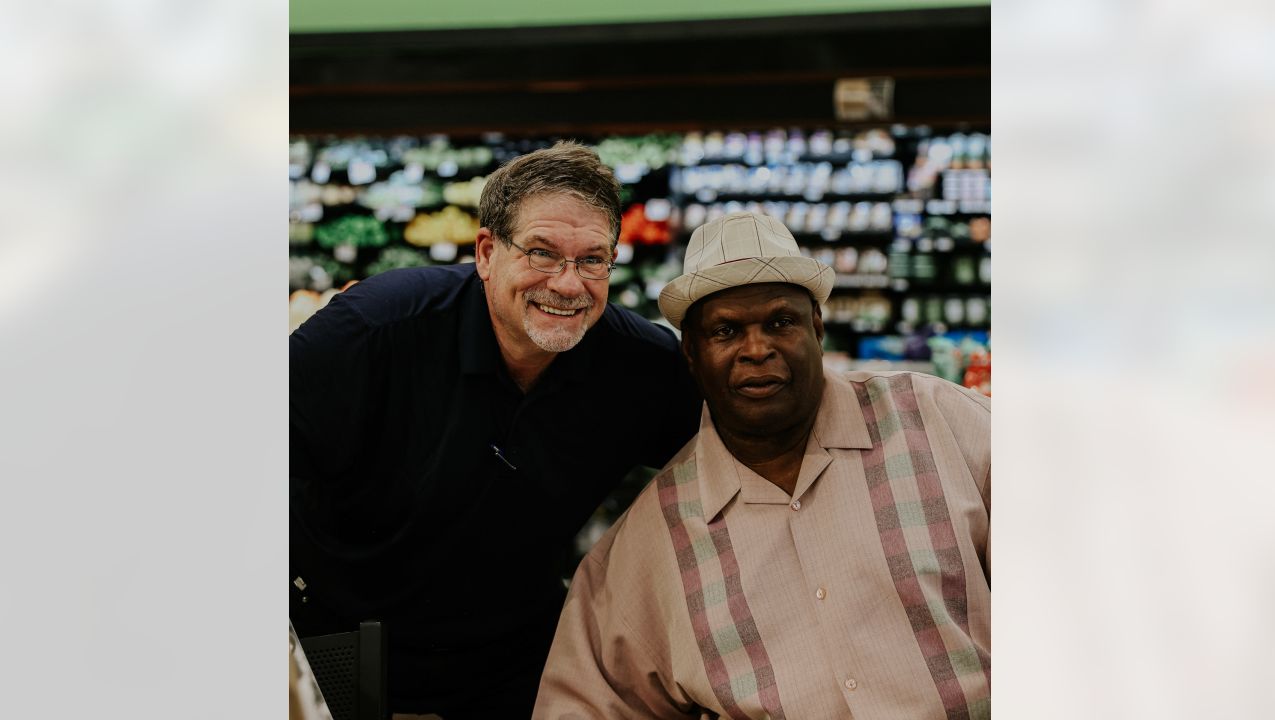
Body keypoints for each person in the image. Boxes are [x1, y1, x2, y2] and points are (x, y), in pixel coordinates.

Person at [289, 141, 702, 719]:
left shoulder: (640, 368)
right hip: (343, 639)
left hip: (512, 657)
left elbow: (740, 451)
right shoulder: (375, 331)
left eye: (592, 259)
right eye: (541, 252)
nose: (567, 284)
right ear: (486, 252)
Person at [535, 211, 991, 719]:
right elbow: (583, 703)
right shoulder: (650, 541)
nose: (756, 349)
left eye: (780, 322)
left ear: (816, 327)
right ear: (691, 352)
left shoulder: (940, 424)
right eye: (726, 331)